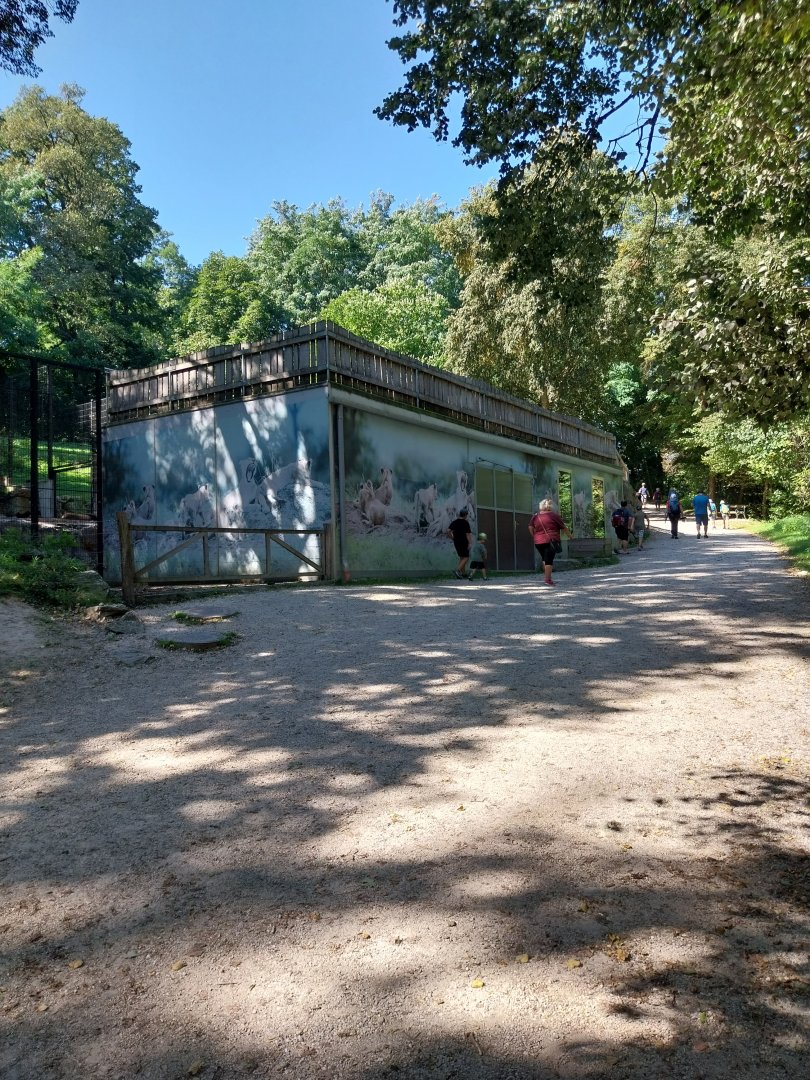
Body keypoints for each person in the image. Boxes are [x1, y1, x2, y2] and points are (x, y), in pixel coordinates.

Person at [528, 498, 572, 586]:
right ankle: (547, 580)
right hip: (551, 540)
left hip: (538, 542)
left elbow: (530, 527)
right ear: (550, 506)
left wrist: (535, 536)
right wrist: (570, 536)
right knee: (549, 560)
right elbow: (563, 527)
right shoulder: (554, 516)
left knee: (544, 559)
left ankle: (548, 577)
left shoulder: (536, 516)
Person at [448, 507, 472, 578]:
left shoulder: (454, 522)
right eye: (466, 515)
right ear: (465, 515)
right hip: (464, 542)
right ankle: (457, 570)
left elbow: (448, 531)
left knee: (462, 557)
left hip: (456, 542)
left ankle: (463, 573)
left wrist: (452, 537)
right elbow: (467, 534)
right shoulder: (465, 523)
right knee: (466, 557)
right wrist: (470, 543)